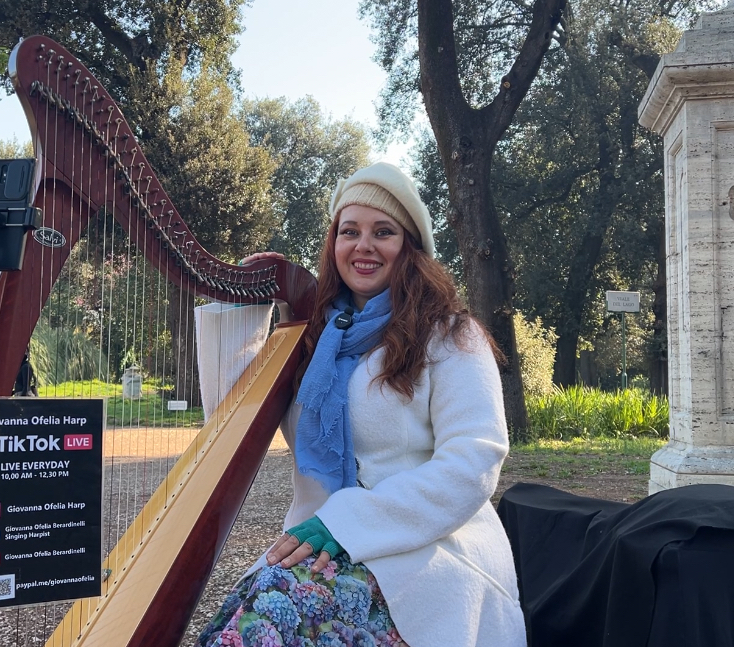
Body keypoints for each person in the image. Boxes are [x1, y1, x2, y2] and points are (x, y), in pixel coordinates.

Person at [195, 162, 526, 647]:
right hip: (323, 548)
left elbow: (472, 463)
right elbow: (226, 418)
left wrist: (348, 521)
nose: (363, 245)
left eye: (383, 232)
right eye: (349, 231)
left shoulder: (452, 336)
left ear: (410, 247)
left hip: (432, 552)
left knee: (267, 615)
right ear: (333, 245)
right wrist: (244, 305)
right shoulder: (310, 339)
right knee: (243, 620)